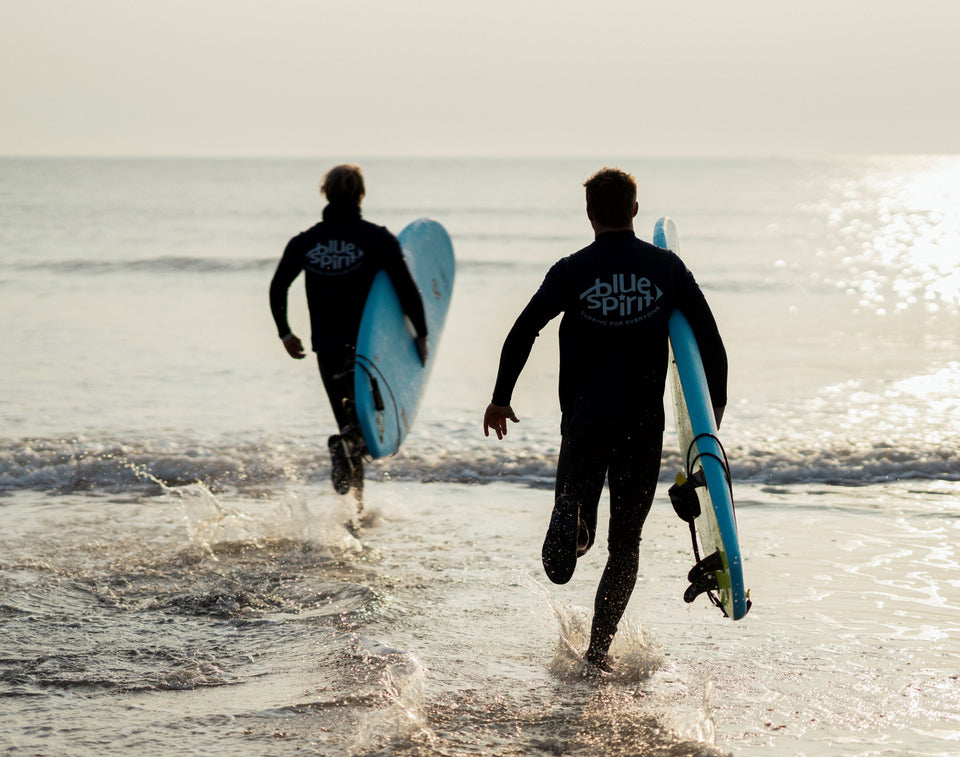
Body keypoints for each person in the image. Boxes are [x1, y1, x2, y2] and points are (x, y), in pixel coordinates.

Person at [483, 167, 727, 672]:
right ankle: (598, 650)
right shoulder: (667, 269)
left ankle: (573, 522)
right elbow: (711, 343)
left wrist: (501, 396)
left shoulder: (571, 270)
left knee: (566, 550)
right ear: (634, 209)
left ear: (590, 213)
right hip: (642, 427)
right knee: (625, 545)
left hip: (585, 423)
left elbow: (523, 329)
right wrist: (711, 414)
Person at [270, 164, 429, 501]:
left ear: (326, 193)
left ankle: (354, 510)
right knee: (365, 429)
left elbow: (277, 286)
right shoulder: (377, 239)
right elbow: (406, 289)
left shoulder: (305, 241)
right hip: (368, 348)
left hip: (326, 346)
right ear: (360, 194)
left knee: (349, 424)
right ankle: (354, 505)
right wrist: (422, 334)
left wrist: (285, 332)